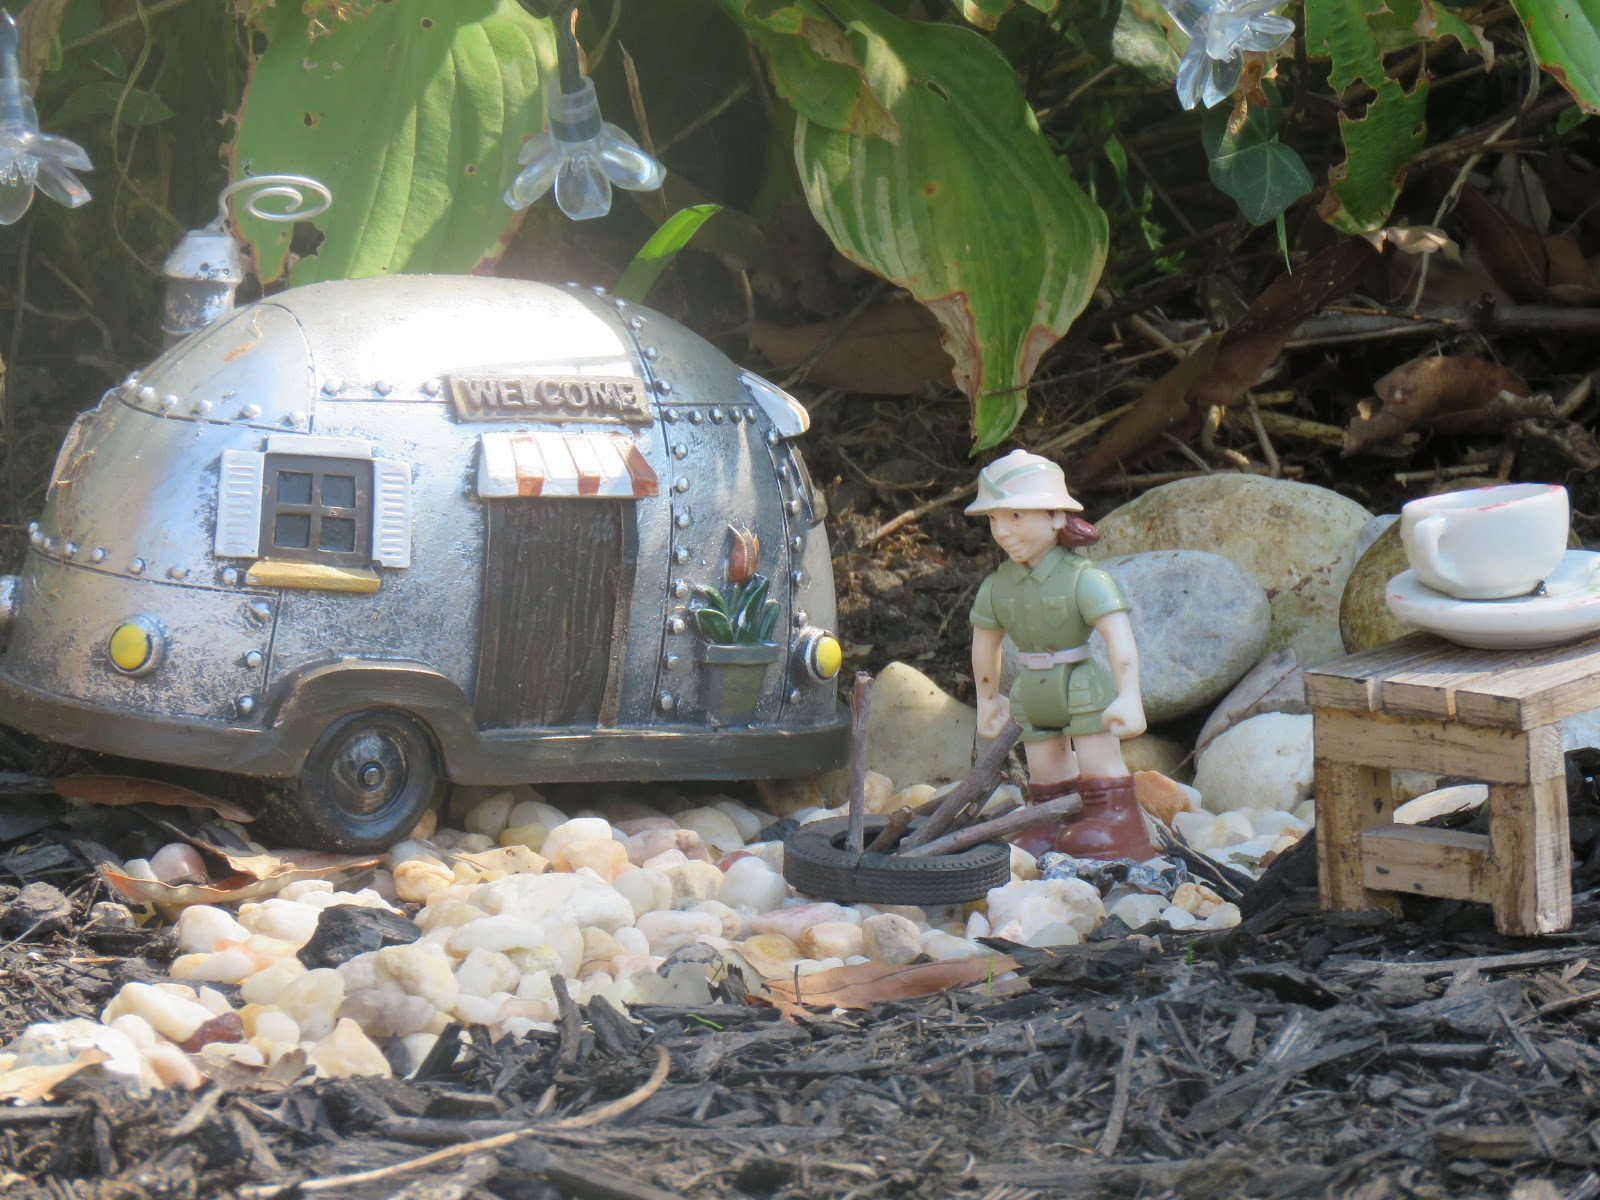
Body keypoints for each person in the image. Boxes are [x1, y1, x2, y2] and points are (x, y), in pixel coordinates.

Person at [967, 449, 1155, 861]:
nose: (1003, 531)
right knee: (1045, 764)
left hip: (1080, 682)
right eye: (995, 518)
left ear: (1055, 516)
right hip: (1030, 688)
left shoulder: (1084, 579)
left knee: (1096, 755)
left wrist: (1129, 696)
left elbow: (1119, 638)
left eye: (1016, 516)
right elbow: (985, 644)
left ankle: (1115, 820)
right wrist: (987, 697)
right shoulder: (998, 586)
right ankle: (1051, 819)